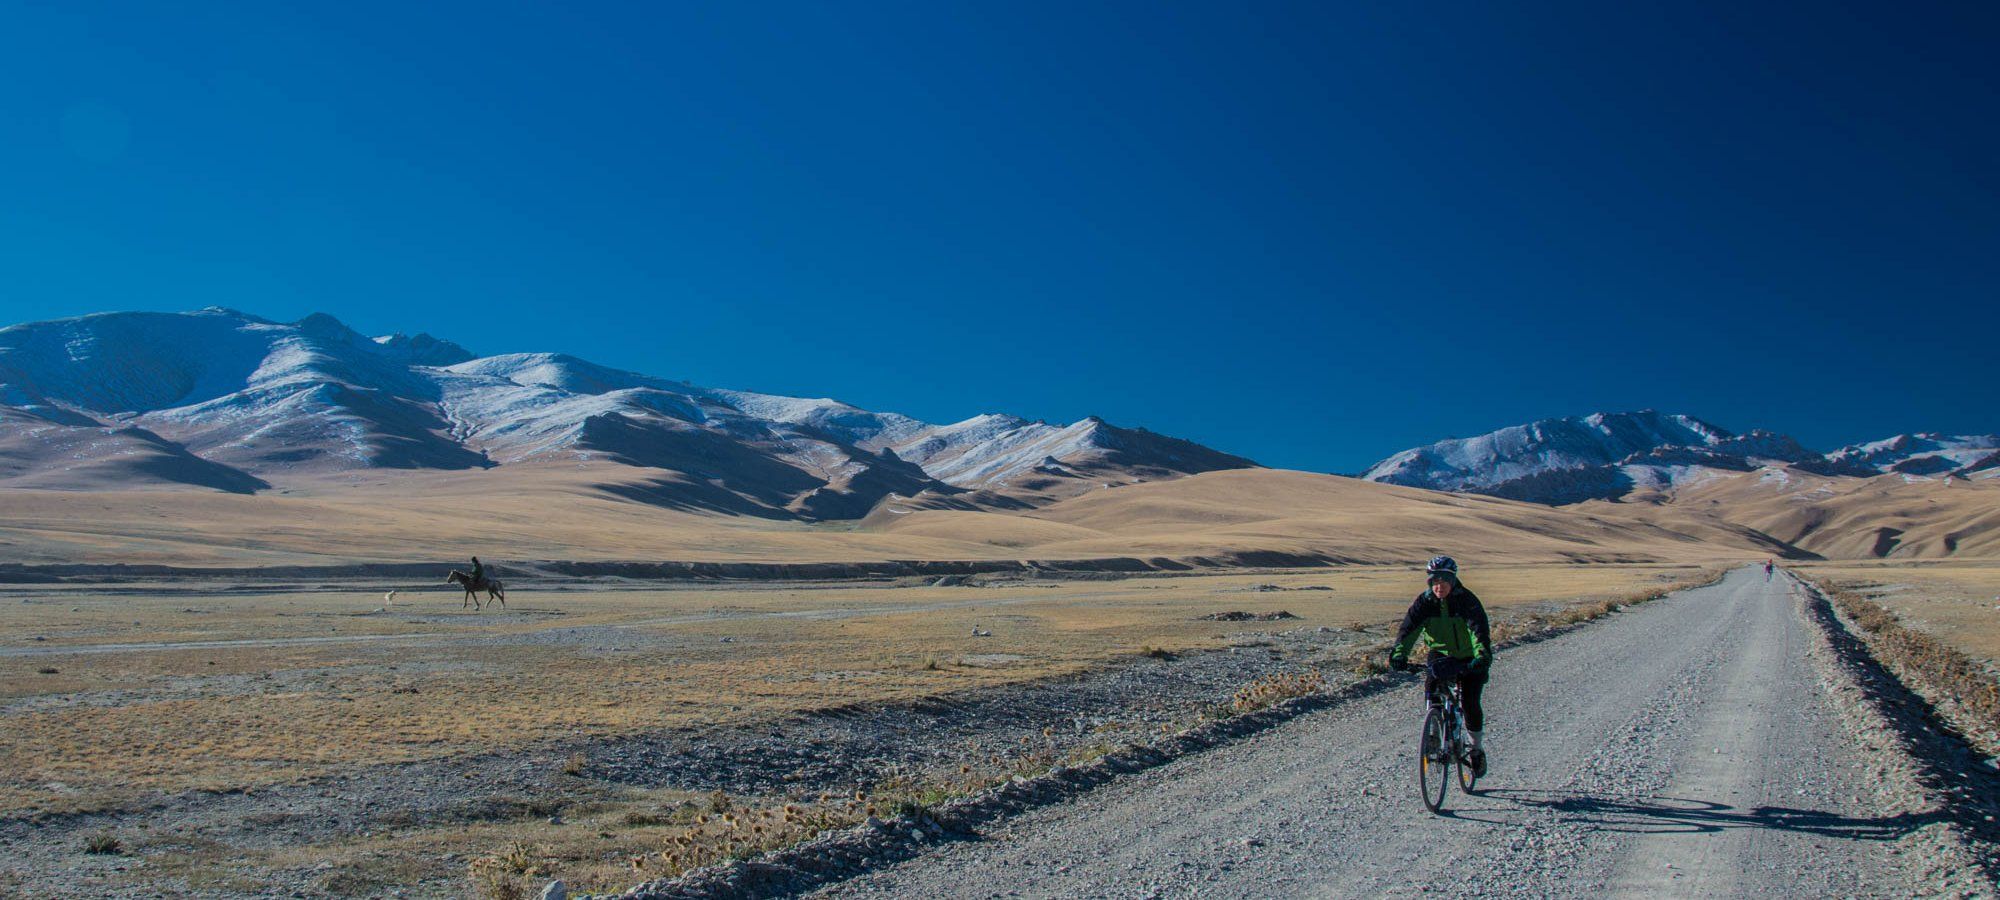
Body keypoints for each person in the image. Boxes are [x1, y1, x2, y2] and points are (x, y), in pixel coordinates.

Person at [1388, 555, 1493, 776]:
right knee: (1431, 689)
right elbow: (1408, 630)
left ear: (1453, 580)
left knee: (1470, 703)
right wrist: (1399, 654)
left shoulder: (1466, 601)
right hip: (1441, 655)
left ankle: (1476, 749)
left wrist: (1481, 656)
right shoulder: (1424, 603)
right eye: (1434, 580)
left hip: (1469, 656)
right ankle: (1434, 732)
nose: (1439, 585)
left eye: (1444, 580)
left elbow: (1478, 631)